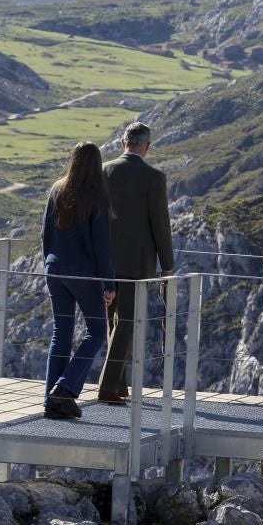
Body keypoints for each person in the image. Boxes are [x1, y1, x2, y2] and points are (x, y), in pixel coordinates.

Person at [97, 121, 175, 405]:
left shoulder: (104, 171)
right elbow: (160, 224)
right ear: (147, 147)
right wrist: (167, 264)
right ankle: (107, 387)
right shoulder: (153, 177)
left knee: (112, 322)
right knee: (126, 322)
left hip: (104, 261)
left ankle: (118, 385)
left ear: (123, 143)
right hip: (136, 264)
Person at [40, 140, 116, 421]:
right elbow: (102, 246)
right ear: (96, 165)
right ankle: (66, 387)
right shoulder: (97, 197)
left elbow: (45, 236)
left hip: (54, 270)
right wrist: (110, 284)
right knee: (96, 332)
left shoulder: (57, 190)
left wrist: (48, 265)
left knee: (61, 334)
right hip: (83, 273)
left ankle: (51, 403)